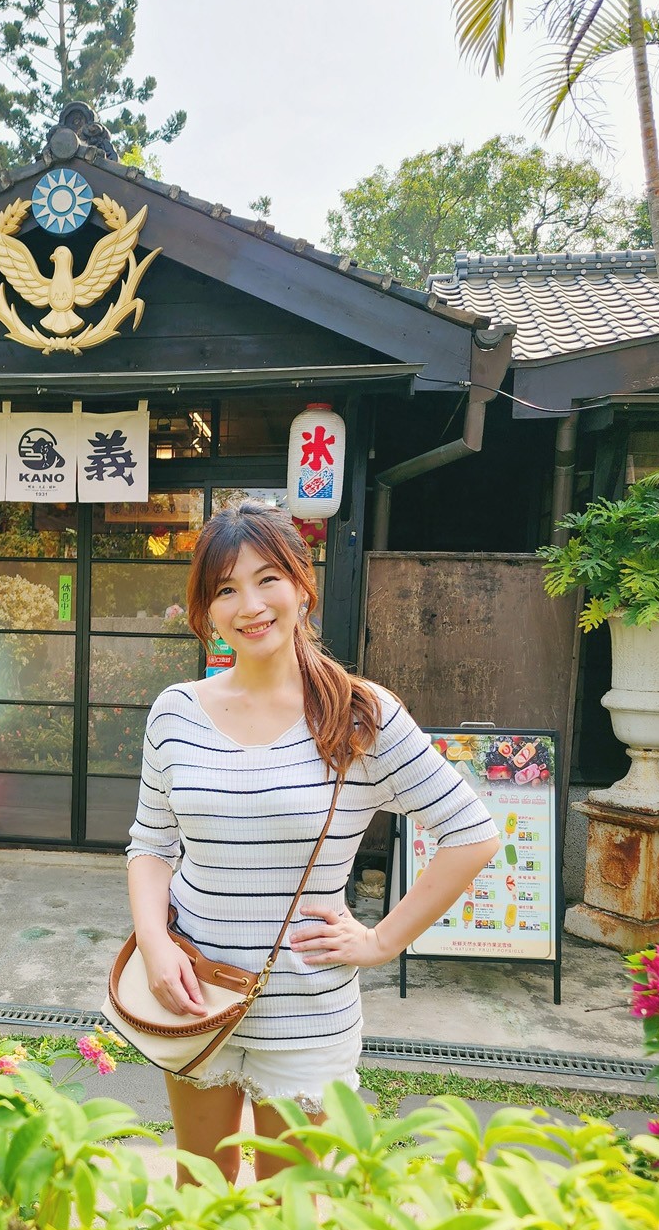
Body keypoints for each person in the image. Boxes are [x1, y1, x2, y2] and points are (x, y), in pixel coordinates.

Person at [126, 502, 499, 1185]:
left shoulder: (360, 714)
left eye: (268, 579)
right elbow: (150, 844)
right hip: (194, 992)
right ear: (206, 610)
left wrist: (383, 941)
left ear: (303, 585)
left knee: (287, 1207)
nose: (250, 605)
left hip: (307, 1007)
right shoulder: (176, 712)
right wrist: (154, 944)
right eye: (225, 589)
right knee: (198, 1186)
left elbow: (471, 833)